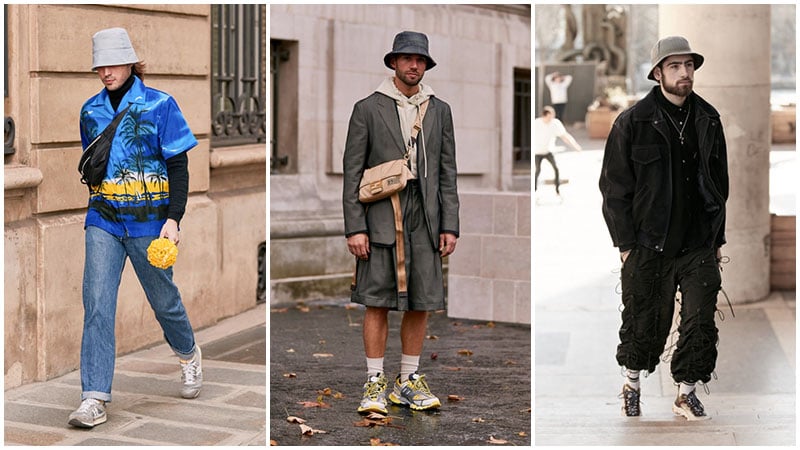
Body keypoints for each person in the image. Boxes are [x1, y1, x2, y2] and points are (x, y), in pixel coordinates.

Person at [69, 27, 202, 428]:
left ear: (129, 62)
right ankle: (93, 397)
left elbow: (178, 164)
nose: (105, 72)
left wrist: (173, 219)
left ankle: (189, 354)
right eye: (99, 66)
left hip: (151, 224)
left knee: (165, 302)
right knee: (96, 304)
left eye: (112, 63)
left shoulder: (160, 105)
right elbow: (93, 163)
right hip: (104, 219)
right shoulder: (90, 111)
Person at [599, 36, 728, 420]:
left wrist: (716, 238)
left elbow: (720, 184)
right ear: (658, 74)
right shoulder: (632, 122)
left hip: (698, 244)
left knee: (701, 321)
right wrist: (625, 245)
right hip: (648, 244)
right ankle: (632, 384)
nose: (684, 73)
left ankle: (686, 393)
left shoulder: (708, 118)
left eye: (688, 65)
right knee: (643, 324)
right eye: (675, 66)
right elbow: (614, 189)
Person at [342, 30, 460, 414]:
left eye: (421, 60)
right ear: (393, 62)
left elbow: (447, 173)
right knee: (375, 302)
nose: (414, 65)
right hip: (380, 219)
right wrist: (354, 226)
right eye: (407, 58)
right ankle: (374, 381)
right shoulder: (367, 108)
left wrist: (450, 224)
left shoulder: (439, 110)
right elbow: (352, 172)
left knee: (420, 303)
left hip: (425, 221)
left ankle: (407, 380)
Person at [534, 106, 582, 195]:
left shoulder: (555, 123)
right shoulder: (536, 123)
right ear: (546, 115)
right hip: (537, 152)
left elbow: (565, 136)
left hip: (548, 151)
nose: (552, 118)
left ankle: (557, 189)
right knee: (537, 171)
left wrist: (575, 146)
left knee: (556, 169)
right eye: (551, 116)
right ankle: (534, 189)